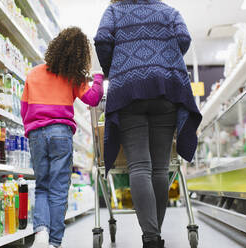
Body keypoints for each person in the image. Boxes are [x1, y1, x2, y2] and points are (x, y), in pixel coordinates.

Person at [94, 0, 202, 248]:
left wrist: (114, 67)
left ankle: (151, 238)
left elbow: (102, 40)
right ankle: (154, 234)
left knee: (140, 167)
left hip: (128, 89)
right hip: (167, 89)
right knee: (160, 168)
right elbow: (183, 38)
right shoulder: (169, 11)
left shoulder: (114, 11)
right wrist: (166, 57)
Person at [21, 27, 104, 248]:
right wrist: (98, 76)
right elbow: (93, 99)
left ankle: (41, 233)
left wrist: (31, 130)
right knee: (58, 189)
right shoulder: (73, 77)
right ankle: (54, 242)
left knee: (42, 186)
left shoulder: (34, 73)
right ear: (79, 55)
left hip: (37, 134)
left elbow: (24, 109)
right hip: (61, 133)